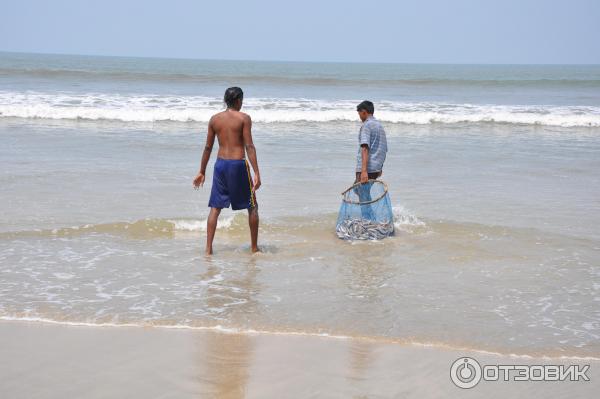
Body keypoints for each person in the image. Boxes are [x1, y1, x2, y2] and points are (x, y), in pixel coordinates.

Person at [193, 87, 261, 255]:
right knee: (252, 206)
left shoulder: (214, 119)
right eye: (242, 100)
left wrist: (202, 171)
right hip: (238, 165)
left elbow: (208, 147)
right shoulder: (244, 118)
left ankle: (208, 249)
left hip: (220, 165)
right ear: (238, 101)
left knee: (215, 208)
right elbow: (249, 146)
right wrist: (257, 172)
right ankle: (254, 248)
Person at [355, 100, 387, 184]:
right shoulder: (379, 126)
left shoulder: (367, 125)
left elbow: (365, 148)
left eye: (359, 114)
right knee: (362, 192)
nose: (359, 117)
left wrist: (364, 171)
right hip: (375, 169)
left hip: (367, 168)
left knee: (359, 191)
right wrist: (380, 167)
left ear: (364, 112)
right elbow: (384, 149)